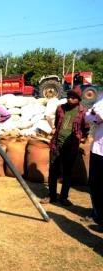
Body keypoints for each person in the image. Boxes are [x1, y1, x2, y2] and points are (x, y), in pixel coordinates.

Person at [41, 89, 90, 206]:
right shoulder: (60, 108)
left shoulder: (83, 111)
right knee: (53, 170)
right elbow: (57, 122)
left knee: (67, 172)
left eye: (73, 97)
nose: (69, 99)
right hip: (56, 144)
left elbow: (86, 127)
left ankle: (64, 197)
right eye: (68, 96)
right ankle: (52, 195)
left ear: (79, 99)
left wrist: (82, 137)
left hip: (71, 146)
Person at [83, 98, 103, 226]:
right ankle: (97, 214)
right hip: (97, 149)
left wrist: (96, 113)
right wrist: (95, 115)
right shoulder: (101, 99)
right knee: (95, 183)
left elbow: (99, 114)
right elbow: (87, 117)